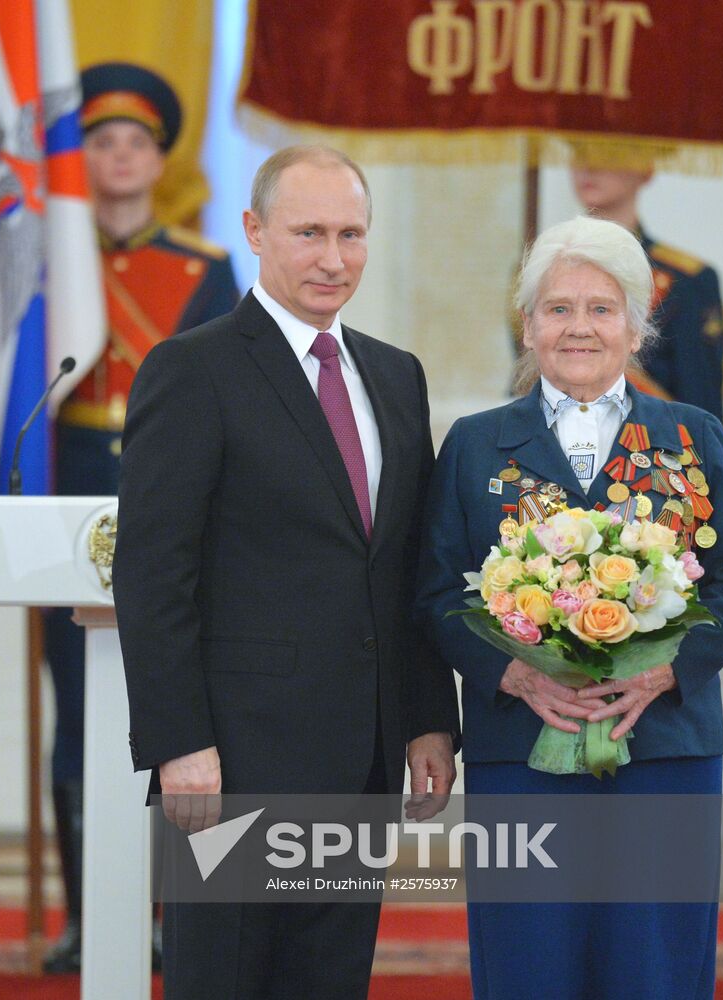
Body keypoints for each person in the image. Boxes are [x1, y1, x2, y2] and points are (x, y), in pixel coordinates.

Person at [113, 145, 459, 999]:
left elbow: (405, 566)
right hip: (234, 763)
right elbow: (154, 574)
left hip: (365, 761)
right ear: (254, 232)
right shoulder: (193, 369)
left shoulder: (395, 374)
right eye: (309, 233)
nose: (333, 258)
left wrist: (427, 717)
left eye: (351, 234)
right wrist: (178, 741)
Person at [418, 216, 723, 1000]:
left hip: (665, 751)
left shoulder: (691, 435)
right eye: (558, 307)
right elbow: (436, 593)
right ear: (527, 324)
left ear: (638, 326)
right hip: (521, 751)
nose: (579, 326)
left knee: (656, 970)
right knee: (528, 967)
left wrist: (665, 672)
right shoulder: (476, 445)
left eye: (602, 308)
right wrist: (513, 675)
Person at [41, 61, 239, 974]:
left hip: (177, 502)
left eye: (136, 143)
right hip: (70, 493)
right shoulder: (44, 263)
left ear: (161, 162)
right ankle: (89, 914)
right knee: (73, 714)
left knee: (181, 714)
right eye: (101, 142)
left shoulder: (202, 270)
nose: (119, 157)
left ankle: (171, 908)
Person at [571, 159, 723, 419]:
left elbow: (700, 399)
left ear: (645, 169)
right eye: (578, 154)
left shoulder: (687, 281)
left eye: (608, 153)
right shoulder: (542, 270)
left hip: (651, 447)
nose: (588, 166)